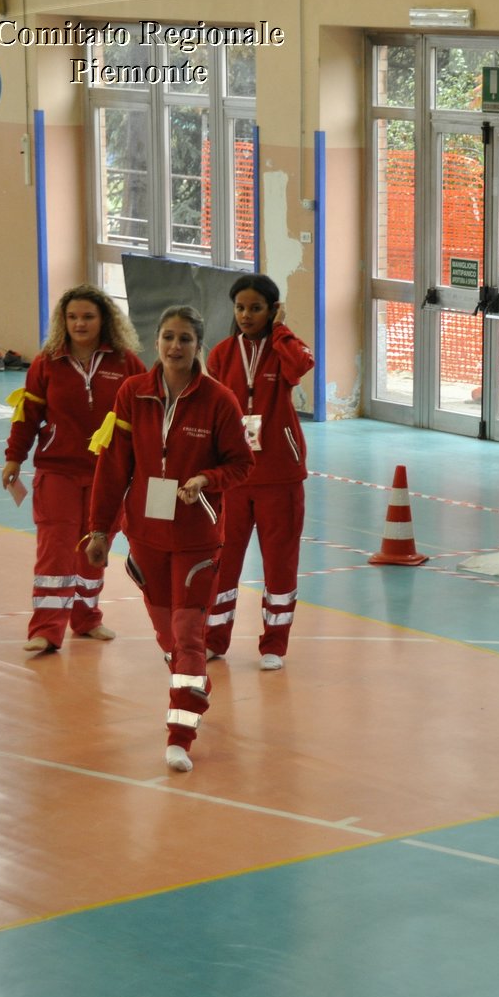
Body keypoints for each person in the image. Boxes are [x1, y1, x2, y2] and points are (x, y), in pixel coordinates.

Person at [85, 307, 254, 771]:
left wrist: (206, 478)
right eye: (167, 337)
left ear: (198, 345)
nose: (174, 347)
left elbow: (241, 464)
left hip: (198, 537)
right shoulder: (132, 393)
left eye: (184, 339)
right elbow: (114, 467)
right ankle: (193, 679)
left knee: (187, 632)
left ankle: (180, 733)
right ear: (155, 342)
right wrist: (100, 530)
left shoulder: (219, 400)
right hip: (146, 534)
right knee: (170, 638)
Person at [2, 284, 146, 653]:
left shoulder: (125, 362)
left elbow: (146, 414)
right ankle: (46, 630)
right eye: (72, 317)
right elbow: (27, 416)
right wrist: (14, 457)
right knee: (56, 548)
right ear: (62, 322)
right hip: (57, 472)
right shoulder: (46, 362)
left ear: (104, 320)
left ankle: (86, 619)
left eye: (87, 317)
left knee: (94, 548)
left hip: (109, 475)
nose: (79, 324)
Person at [203, 274, 314, 671]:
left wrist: (281, 329)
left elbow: (301, 366)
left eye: (256, 308)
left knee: (280, 561)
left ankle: (274, 644)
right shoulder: (220, 354)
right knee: (223, 559)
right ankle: (213, 639)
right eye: (240, 308)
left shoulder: (284, 348)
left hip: (279, 477)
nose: (246, 315)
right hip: (232, 477)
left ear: (272, 309)